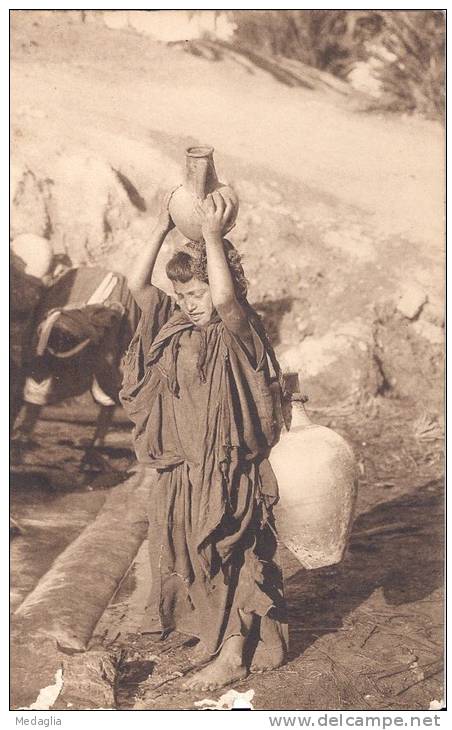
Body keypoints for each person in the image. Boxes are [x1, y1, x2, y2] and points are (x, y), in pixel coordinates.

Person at [120, 191, 288, 691]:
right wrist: (160, 228)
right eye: (182, 296)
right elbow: (136, 285)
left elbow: (223, 299)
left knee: (230, 548)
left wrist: (211, 235)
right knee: (189, 551)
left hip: (227, 467)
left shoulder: (239, 328)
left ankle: (235, 652)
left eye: (195, 293)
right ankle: (211, 632)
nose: (189, 304)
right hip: (185, 467)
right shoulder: (174, 325)